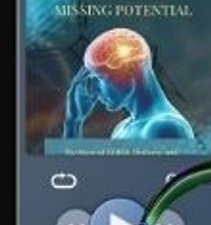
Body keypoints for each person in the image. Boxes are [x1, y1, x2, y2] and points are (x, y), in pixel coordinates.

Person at [63, 25, 196, 143]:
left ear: (130, 69)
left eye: (99, 78)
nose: (95, 90)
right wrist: (74, 121)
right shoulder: (123, 128)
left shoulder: (166, 128)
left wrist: (73, 124)